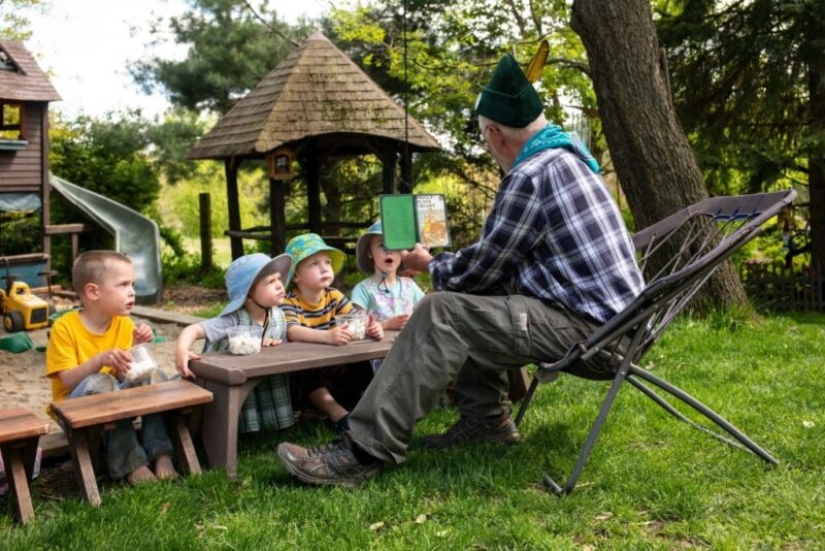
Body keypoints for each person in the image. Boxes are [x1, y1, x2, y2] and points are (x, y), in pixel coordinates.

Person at [275, 54, 645, 487]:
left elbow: (481, 269)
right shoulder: (568, 160)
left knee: (441, 310)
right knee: (467, 301)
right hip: (622, 327)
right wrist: (448, 270)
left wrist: (428, 264)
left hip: (595, 335)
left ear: (493, 134)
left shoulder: (531, 174)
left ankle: (361, 450)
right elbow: (492, 271)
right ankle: (485, 422)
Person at [45, 250, 178, 485]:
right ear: (93, 291)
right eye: (123, 284)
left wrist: (136, 350)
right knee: (101, 382)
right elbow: (66, 381)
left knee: (156, 375)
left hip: (117, 397)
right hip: (73, 407)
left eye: (133, 284)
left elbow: (124, 374)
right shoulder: (64, 327)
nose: (132, 291)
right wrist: (99, 360)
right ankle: (132, 464)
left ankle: (161, 453)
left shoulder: (124, 324)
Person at [175, 252, 295, 434]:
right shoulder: (232, 319)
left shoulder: (278, 315)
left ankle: (270, 426)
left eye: (278, 278)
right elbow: (192, 330)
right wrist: (182, 350)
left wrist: (272, 343)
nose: (279, 285)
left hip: (260, 375)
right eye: (270, 282)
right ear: (247, 296)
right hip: (220, 380)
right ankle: (238, 428)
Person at [281, 233, 383, 433]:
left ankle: (365, 406)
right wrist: (327, 336)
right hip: (304, 370)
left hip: (333, 367)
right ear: (295, 275)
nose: (324, 267)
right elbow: (292, 331)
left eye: (327, 262)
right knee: (306, 372)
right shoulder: (290, 301)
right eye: (314, 263)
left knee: (360, 362)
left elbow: (356, 320)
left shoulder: (334, 296)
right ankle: (338, 414)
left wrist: (371, 327)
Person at [350, 221, 425, 373]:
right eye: (381, 245)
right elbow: (354, 328)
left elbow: (428, 311)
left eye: (394, 245)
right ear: (370, 253)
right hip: (382, 361)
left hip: (413, 354)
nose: (389, 251)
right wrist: (384, 325)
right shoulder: (363, 290)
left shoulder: (410, 285)